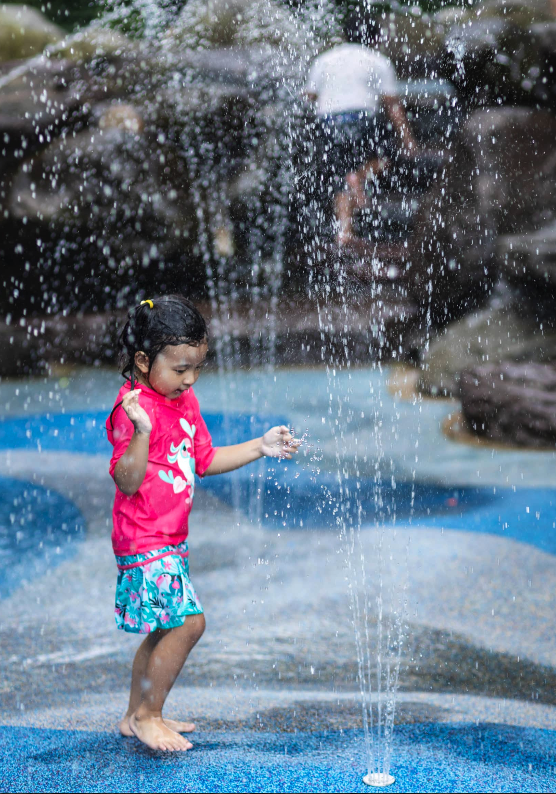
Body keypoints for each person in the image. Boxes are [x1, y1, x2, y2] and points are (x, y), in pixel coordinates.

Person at [106, 295, 299, 752]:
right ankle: (148, 715)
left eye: (197, 367)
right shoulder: (132, 410)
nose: (190, 379)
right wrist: (142, 432)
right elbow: (127, 481)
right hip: (143, 537)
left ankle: (135, 714)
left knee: (163, 627)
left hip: (169, 539)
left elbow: (204, 460)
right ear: (142, 360)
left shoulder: (183, 399)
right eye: (179, 369)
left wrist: (261, 446)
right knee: (190, 624)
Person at [305, 12, 418, 247]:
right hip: (362, 117)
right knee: (386, 159)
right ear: (375, 38)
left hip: (328, 120)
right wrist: (408, 140)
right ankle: (361, 175)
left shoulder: (324, 59)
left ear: (345, 34)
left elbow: (310, 96)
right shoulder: (377, 60)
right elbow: (393, 106)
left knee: (339, 177)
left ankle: (344, 232)